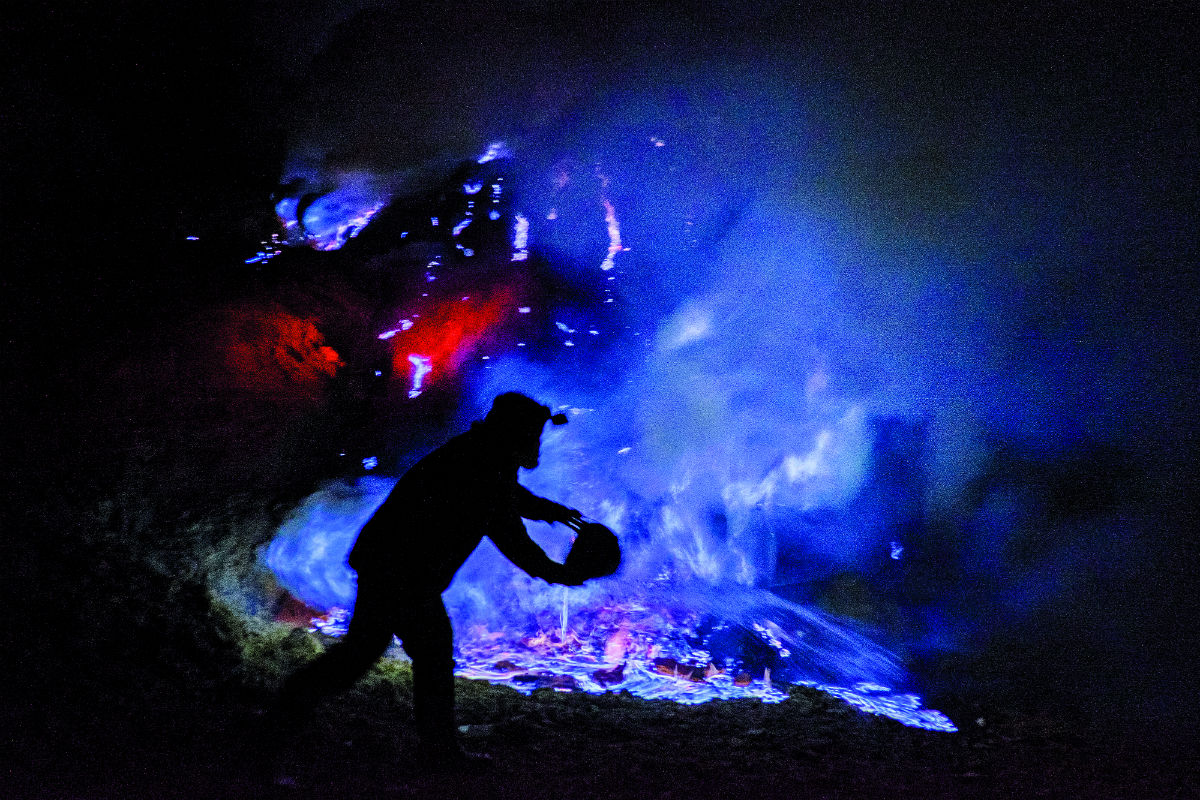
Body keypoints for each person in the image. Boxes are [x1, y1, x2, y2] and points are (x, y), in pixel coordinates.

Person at [270, 392, 587, 767]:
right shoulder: (482, 468)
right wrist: (559, 573)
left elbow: (508, 496)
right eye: (532, 434)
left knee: (390, 652)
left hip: (394, 565)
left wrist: (550, 511)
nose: (537, 443)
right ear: (513, 433)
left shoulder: (481, 454)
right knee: (391, 654)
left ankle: (286, 715)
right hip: (400, 570)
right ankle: (286, 718)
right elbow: (510, 535)